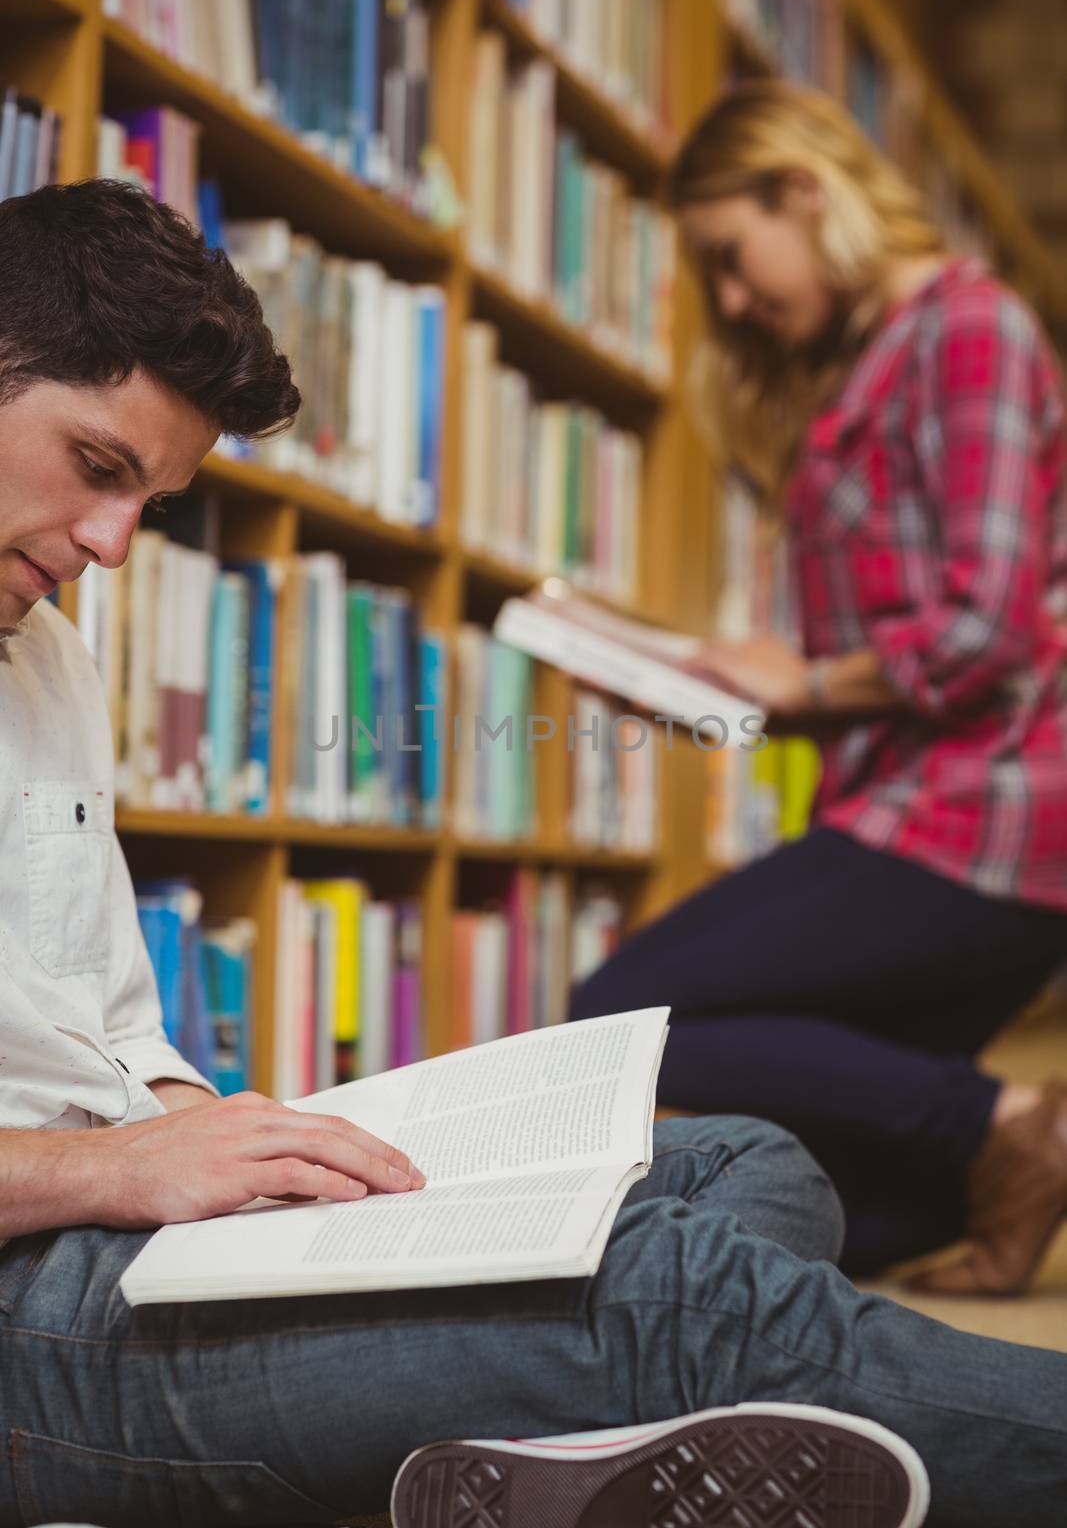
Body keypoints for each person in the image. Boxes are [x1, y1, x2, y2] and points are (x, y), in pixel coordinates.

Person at [1, 179, 1067, 1528]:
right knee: (670, 1295)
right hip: (38, 1321)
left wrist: (209, 1130)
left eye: (146, 501)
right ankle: (580, 1401)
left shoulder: (45, 654)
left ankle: (519, 1460)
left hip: (143, 1228)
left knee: (744, 1162)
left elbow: (103, 1023)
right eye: (100, 469)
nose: (110, 546)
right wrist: (107, 1173)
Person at [570, 78, 1067, 1294]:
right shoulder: (870, 364)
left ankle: (1014, 1120)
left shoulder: (967, 326)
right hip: (908, 802)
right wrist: (719, 683)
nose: (733, 301)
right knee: (848, 1217)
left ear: (803, 190)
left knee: (617, 1008)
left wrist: (799, 684)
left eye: (732, 257)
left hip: (989, 808)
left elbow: (986, 628)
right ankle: (983, 1145)